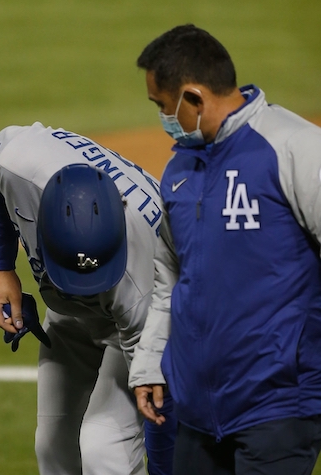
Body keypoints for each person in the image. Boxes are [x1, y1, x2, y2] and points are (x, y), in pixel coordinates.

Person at [128, 24, 321, 475]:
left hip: (278, 407)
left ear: (193, 98)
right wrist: (151, 364)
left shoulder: (295, 148)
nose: (163, 118)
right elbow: (170, 280)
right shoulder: (179, 168)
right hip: (196, 410)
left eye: (162, 105)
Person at [0, 121, 176, 475]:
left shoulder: (144, 282)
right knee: (53, 446)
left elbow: (161, 406)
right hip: (77, 320)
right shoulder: (20, 163)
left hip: (141, 326)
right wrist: (2, 267)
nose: (79, 289)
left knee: (103, 446)